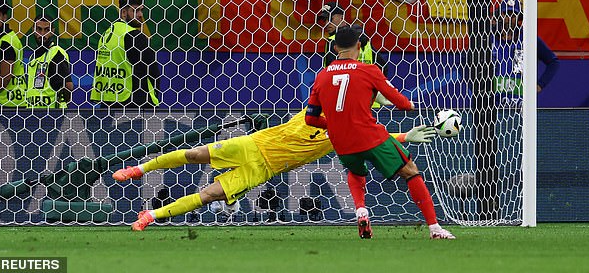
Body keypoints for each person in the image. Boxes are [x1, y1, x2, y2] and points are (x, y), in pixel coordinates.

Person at [112, 107, 437, 231]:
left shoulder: (342, 135)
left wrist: (406, 135)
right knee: (195, 154)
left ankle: (151, 217)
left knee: (207, 194)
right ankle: (140, 168)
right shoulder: (309, 113)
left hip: (262, 169)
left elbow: (378, 137)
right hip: (251, 144)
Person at [305, 25, 455, 239]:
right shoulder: (369, 70)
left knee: (356, 173)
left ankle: (361, 211)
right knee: (410, 170)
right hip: (369, 136)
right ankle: (435, 228)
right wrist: (412, 105)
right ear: (359, 45)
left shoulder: (321, 77)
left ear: (335, 47)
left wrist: (335, 125)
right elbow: (400, 103)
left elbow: (310, 119)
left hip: (342, 142)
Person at [90, 0, 161, 109]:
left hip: (109, 101)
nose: (140, 15)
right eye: (136, 10)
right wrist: (154, 96)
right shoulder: (134, 36)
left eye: (141, 10)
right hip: (135, 103)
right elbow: (153, 71)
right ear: (123, 12)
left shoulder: (105, 34)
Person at [493, 0, 559, 102]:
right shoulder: (489, 38)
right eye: (507, 14)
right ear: (500, 15)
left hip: (521, 106)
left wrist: (540, 85)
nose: (510, 18)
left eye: (513, 15)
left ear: (519, 17)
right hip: (493, 105)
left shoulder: (529, 38)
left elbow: (553, 62)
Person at [0, 0, 26, 108]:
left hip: (5, 101)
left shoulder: (6, 42)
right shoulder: (0, 40)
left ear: (4, 17)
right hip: (8, 99)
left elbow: (6, 76)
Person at [25, 15, 73, 108]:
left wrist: (59, 106)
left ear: (52, 31)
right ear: (33, 30)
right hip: (32, 114)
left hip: (52, 115)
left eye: (47, 30)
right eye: (39, 29)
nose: (42, 34)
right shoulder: (32, 57)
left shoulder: (56, 53)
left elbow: (68, 86)